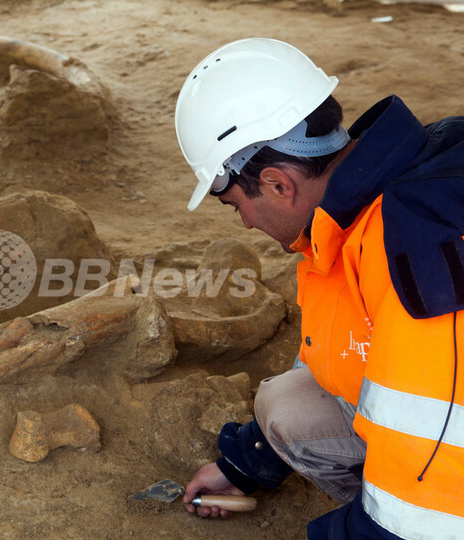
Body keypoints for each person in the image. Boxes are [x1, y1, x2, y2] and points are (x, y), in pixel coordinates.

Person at [174, 37, 464, 539]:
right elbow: (338, 347)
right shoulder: (361, 203)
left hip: (448, 453)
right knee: (288, 407)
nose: (244, 224)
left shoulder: (412, 245)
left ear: (277, 184)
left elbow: (434, 470)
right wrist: (245, 464)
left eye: (234, 204)